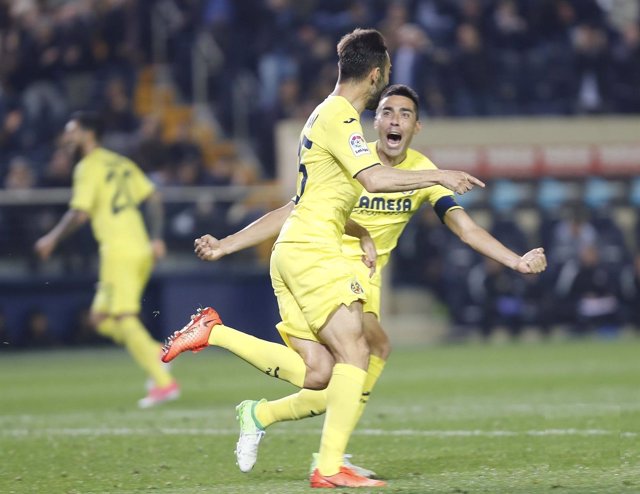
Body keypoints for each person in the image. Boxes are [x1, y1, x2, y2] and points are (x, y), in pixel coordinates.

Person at [165, 83, 547, 476]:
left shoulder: (421, 170)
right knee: (370, 348)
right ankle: (331, 461)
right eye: (387, 112)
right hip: (321, 266)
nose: (395, 120)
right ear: (375, 121)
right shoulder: (353, 155)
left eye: (405, 114)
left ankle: (254, 404)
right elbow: (294, 210)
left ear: (417, 126)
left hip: (362, 281)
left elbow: (466, 230)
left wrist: (516, 260)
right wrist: (227, 244)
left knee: (322, 376)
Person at [34, 111, 179, 409]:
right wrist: (156, 237)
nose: (67, 137)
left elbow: (80, 213)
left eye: (71, 131)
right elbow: (153, 198)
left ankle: (165, 384)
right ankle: (156, 352)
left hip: (119, 250)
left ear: (88, 134)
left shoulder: (87, 167)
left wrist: (51, 238)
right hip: (137, 247)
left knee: (124, 317)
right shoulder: (121, 161)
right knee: (100, 319)